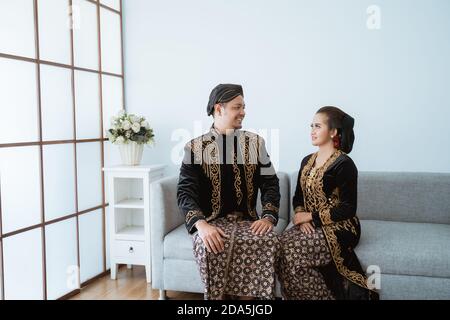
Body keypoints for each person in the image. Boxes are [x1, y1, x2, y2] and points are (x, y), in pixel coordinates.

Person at [177, 84, 281, 300]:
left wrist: (268, 217)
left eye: (243, 107)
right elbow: (185, 193)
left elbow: (270, 183)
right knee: (209, 246)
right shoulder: (194, 148)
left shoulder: (255, 143)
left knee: (267, 240)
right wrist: (202, 225)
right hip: (211, 221)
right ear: (219, 109)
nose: (243, 112)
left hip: (248, 221)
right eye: (237, 107)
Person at [278, 106, 379, 300]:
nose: (312, 131)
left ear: (333, 131)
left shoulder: (344, 164)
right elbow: (298, 197)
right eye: (311, 126)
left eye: (317, 126)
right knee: (280, 245)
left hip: (341, 226)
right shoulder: (307, 161)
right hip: (310, 224)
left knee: (292, 250)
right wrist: (302, 218)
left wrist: (311, 217)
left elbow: (348, 208)